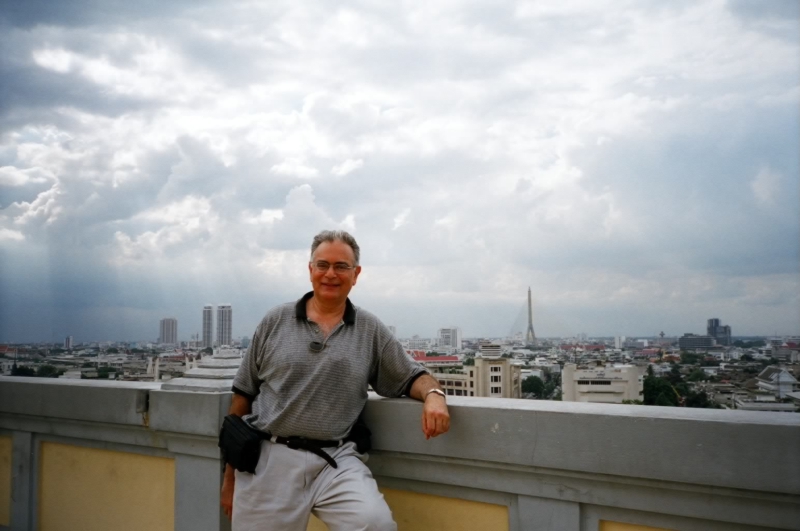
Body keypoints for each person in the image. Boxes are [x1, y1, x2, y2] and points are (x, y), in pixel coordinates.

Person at [221, 229, 450, 531]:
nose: (331, 274)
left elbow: (411, 375)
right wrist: (230, 476)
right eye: (323, 265)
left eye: (341, 266)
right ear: (310, 270)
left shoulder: (369, 329)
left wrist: (435, 395)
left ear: (356, 274)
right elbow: (242, 396)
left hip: (336, 460)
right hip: (269, 458)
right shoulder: (275, 321)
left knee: (376, 524)